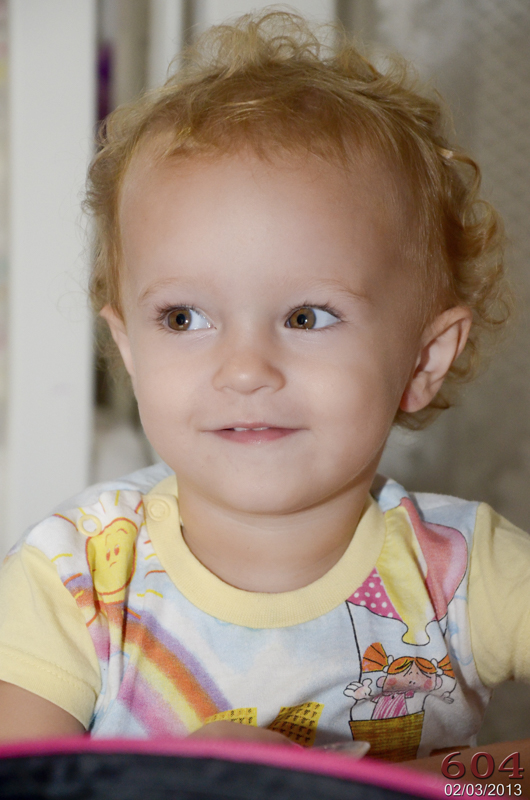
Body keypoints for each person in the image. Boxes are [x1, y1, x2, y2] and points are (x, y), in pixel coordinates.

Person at [0, 10, 526, 770]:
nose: (244, 369)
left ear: (423, 359)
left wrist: (424, 785)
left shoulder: (462, 573)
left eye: (306, 316)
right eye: (184, 317)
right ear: (130, 348)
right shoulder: (77, 578)